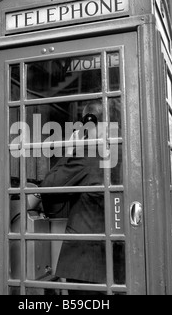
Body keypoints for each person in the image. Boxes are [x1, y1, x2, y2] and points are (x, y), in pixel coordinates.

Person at [41, 100, 106, 294]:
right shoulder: (115, 156)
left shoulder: (87, 157)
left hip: (83, 263)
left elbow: (48, 186)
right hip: (111, 260)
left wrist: (69, 151)